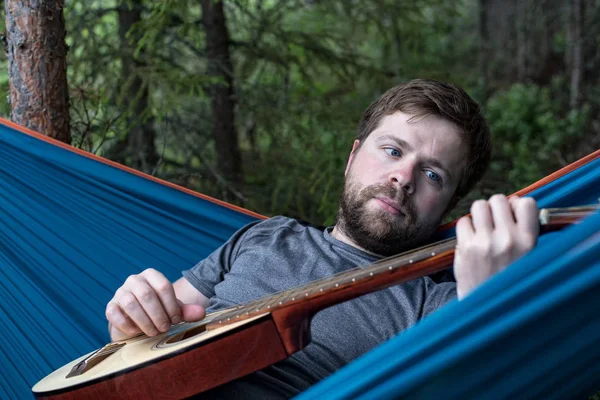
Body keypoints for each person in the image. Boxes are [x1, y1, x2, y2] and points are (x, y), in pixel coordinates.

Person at [105, 79, 539, 398]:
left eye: (432, 174)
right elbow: (141, 339)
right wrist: (130, 316)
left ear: (448, 205)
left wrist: (492, 300)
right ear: (352, 158)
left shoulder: (434, 304)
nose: (403, 178)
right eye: (392, 150)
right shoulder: (268, 234)